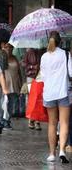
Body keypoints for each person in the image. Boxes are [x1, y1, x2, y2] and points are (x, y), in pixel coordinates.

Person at [40, 31, 71, 163]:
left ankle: (52, 153)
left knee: (52, 123)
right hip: (63, 91)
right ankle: (62, 150)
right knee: (64, 122)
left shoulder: (44, 56)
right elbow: (71, 73)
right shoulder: (65, 54)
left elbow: (43, 76)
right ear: (61, 42)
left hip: (49, 93)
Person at [21, 48, 42, 130]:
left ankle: (37, 120)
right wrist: (33, 66)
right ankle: (31, 119)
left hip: (40, 77)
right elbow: (23, 63)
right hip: (31, 77)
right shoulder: (29, 52)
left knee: (38, 99)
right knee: (31, 99)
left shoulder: (42, 52)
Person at [3, 43, 22, 129]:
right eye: (6, 47)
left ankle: (7, 120)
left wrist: (21, 83)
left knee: (11, 103)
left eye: (10, 47)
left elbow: (19, 72)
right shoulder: (2, 59)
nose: (8, 49)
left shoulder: (14, 58)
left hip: (14, 84)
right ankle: (3, 121)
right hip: (5, 84)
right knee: (4, 104)